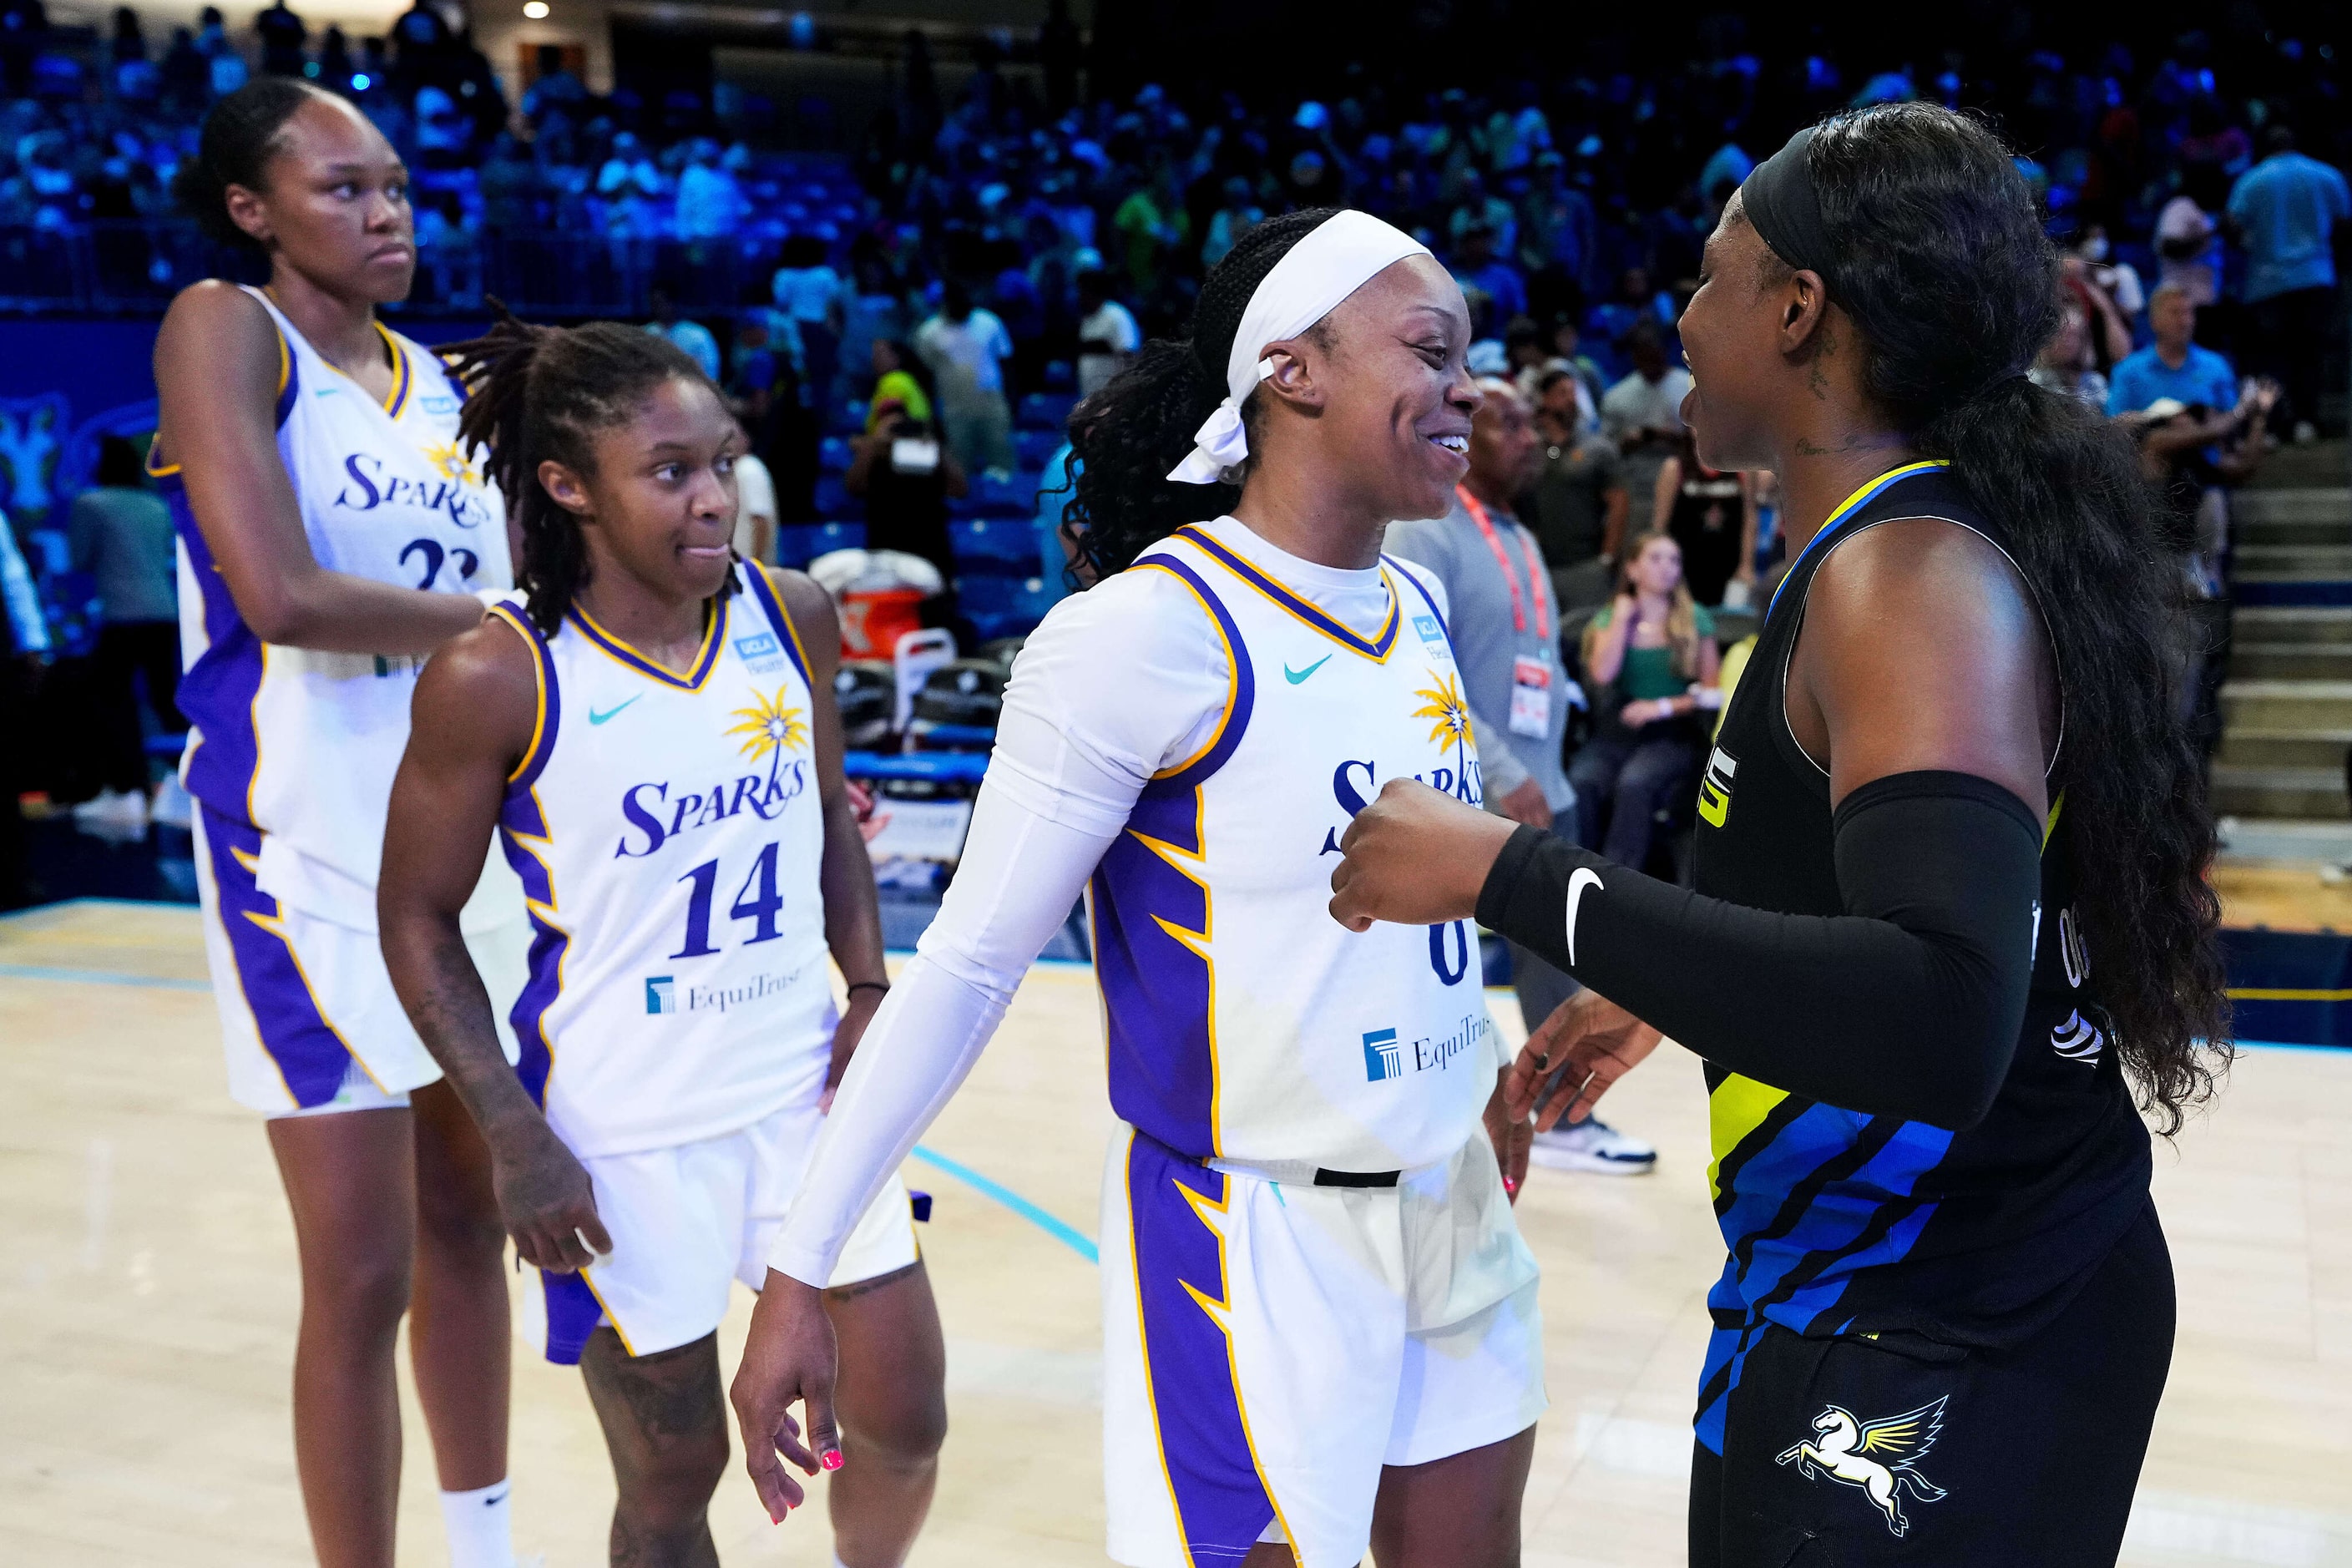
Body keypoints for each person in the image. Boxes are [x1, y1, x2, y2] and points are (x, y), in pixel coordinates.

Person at [1329, 104, 2226, 1568]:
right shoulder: (1881, 557)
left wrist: (1515, 878)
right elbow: (1871, 914)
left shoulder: (1906, 579)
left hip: (1953, 1316)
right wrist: (1667, 987)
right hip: (1874, 1296)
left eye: (1707, 278)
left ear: (1800, 310)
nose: (1678, 319)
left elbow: (1941, 1009)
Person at [731, 209, 1546, 1568]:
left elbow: (1426, 899)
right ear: (1290, 369)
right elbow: (971, 969)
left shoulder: (1408, 603)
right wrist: (800, 1264)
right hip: (1255, 1237)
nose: (1465, 383)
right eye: (1428, 348)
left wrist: (1484, 1058)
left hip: (1452, 1198)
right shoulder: (1138, 637)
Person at [380, 316, 946, 1568]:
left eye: (724, 460)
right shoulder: (497, 673)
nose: (714, 496)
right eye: (672, 470)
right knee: (672, 1476)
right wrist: (510, 1131)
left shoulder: (790, 613)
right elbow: (412, 916)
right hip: (623, 1122)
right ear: (568, 485)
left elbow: (828, 827)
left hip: (803, 1083)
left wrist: (866, 984)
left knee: (904, 1414)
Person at [151, 78, 528, 1568]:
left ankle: (487, 1546)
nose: (387, 215)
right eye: (344, 190)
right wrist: (509, 633)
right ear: (253, 210)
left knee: (468, 1227)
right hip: (295, 852)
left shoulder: (441, 386)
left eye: (397, 189)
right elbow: (281, 595)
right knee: (362, 1271)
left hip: (457, 856)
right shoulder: (222, 327)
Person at [1387, 381, 1657, 1179]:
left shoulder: (1513, 530)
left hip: (1541, 783)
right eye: (1504, 422)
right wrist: (1502, 771)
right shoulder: (1424, 532)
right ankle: (1546, 1117)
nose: (1527, 438)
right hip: (1477, 791)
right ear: (1459, 434)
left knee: (1557, 956)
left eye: (1531, 423)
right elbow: (1419, 672)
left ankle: (1556, 1113)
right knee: (1472, 959)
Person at [1568, 530, 1718, 876]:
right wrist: (1623, 617)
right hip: (1619, 731)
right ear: (1632, 569)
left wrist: (1662, 707)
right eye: (1656, 558)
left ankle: (1618, 883)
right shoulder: (1609, 619)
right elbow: (1603, 675)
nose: (1667, 567)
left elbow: (1712, 693)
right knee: (1584, 780)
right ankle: (1578, 872)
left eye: (1674, 560)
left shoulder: (1694, 618)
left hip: (1673, 733)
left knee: (1635, 783)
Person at [69, 435, 181, 834]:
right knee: (168, 703)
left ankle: (129, 791)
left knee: (110, 702)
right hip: (164, 612)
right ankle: (186, 788)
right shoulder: (154, 504)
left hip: (122, 615)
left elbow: (79, 558)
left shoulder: (91, 503)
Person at [2228, 124, 2349, 443]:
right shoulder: (2326, 175)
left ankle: (2275, 426)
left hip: (2268, 280)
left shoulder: (2252, 180)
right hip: (2316, 274)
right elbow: (2342, 220)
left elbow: (2232, 224)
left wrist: (2252, 244)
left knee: (2273, 357)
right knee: (2308, 352)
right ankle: (2306, 420)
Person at [913, 277, 1015, 476]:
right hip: (953, 409)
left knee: (1002, 463)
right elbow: (924, 376)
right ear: (945, 302)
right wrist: (931, 414)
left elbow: (1007, 364)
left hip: (992, 403)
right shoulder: (928, 333)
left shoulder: (990, 322)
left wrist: (1012, 401)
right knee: (959, 467)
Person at [1651, 425, 1757, 607]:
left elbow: (1749, 518)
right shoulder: (1675, 468)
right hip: (1684, 564)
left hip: (1727, 562)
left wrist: (1747, 565)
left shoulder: (1743, 470)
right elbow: (1659, 526)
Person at [1600, 321, 1692, 518]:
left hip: (1684, 489)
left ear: (1664, 351)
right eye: (1642, 356)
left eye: (1653, 355)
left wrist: (1660, 436)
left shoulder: (1690, 388)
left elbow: (1702, 444)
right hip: (1635, 491)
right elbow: (1607, 452)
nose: (1649, 362)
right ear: (1634, 356)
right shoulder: (1617, 397)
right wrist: (1626, 442)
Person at [1075, 267, 1141, 399]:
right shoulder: (1087, 319)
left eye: (1082, 291)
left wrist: (1123, 394)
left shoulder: (1116, 316)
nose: (1079, 296)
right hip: (1091, 399)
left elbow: (1129, 355)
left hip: (1113, 399)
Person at [645, 284, 720, 383]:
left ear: (674, 303)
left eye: (661, 302)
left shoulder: (698, 335)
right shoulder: (645, 334)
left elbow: (710, 373)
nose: (657, 308)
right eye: (654, 303)